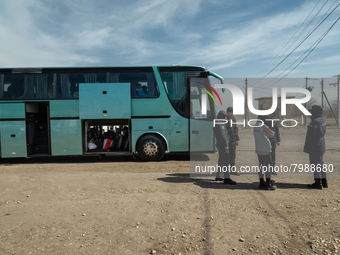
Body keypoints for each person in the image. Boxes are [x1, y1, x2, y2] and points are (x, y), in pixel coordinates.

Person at [303, 105, 327, 189]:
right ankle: (324, 181)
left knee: (315, 164)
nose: (310, 113)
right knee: (320, 163)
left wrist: (308, 141)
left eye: (312, 111)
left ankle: (318, 182)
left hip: (315, 147)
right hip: (320, 146)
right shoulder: (321, 119)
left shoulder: (316, 121)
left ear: (315, 112)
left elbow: (316, 135)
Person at [253, 115, 277, 190]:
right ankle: (268, 183)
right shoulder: (263, 126)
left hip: (258, 149)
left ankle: (261, 182)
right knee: (268, 166)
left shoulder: (255, 125)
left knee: (261, 166)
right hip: (266, 150)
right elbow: (271, 134)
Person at [214, 110, 236, 185]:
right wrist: (226, 144)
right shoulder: (221, 124)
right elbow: (223, 135)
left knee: (221, 160)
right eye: (225, 116)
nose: (226, 118)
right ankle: (227, 178)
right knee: (226, 162)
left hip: (220, 145)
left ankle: (218, 175)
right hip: (223, 146)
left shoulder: (217, 123)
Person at [226, 107, 240, 175]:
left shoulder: (233, 119)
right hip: (227, 141)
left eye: (232, 112)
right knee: (226, 156)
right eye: (230, 112)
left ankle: (232, 170)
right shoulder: (225, 120)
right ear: (227, 113)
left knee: (233, 156)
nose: (232, 113)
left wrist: (237, 139)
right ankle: (225, 171)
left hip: (233, 141)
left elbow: (236, 130)